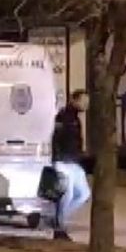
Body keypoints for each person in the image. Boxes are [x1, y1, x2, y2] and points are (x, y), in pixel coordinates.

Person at [52, 89, 91, 241]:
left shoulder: (75, 118)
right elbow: (55, 139)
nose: (86, 105)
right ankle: (59, 227)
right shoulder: (63, 117)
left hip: (74, 162)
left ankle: (57, 219)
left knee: (84, 194)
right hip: (64, 162)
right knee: (66, 195)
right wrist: (57, 160)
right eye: (83, 101)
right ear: (74, 100)